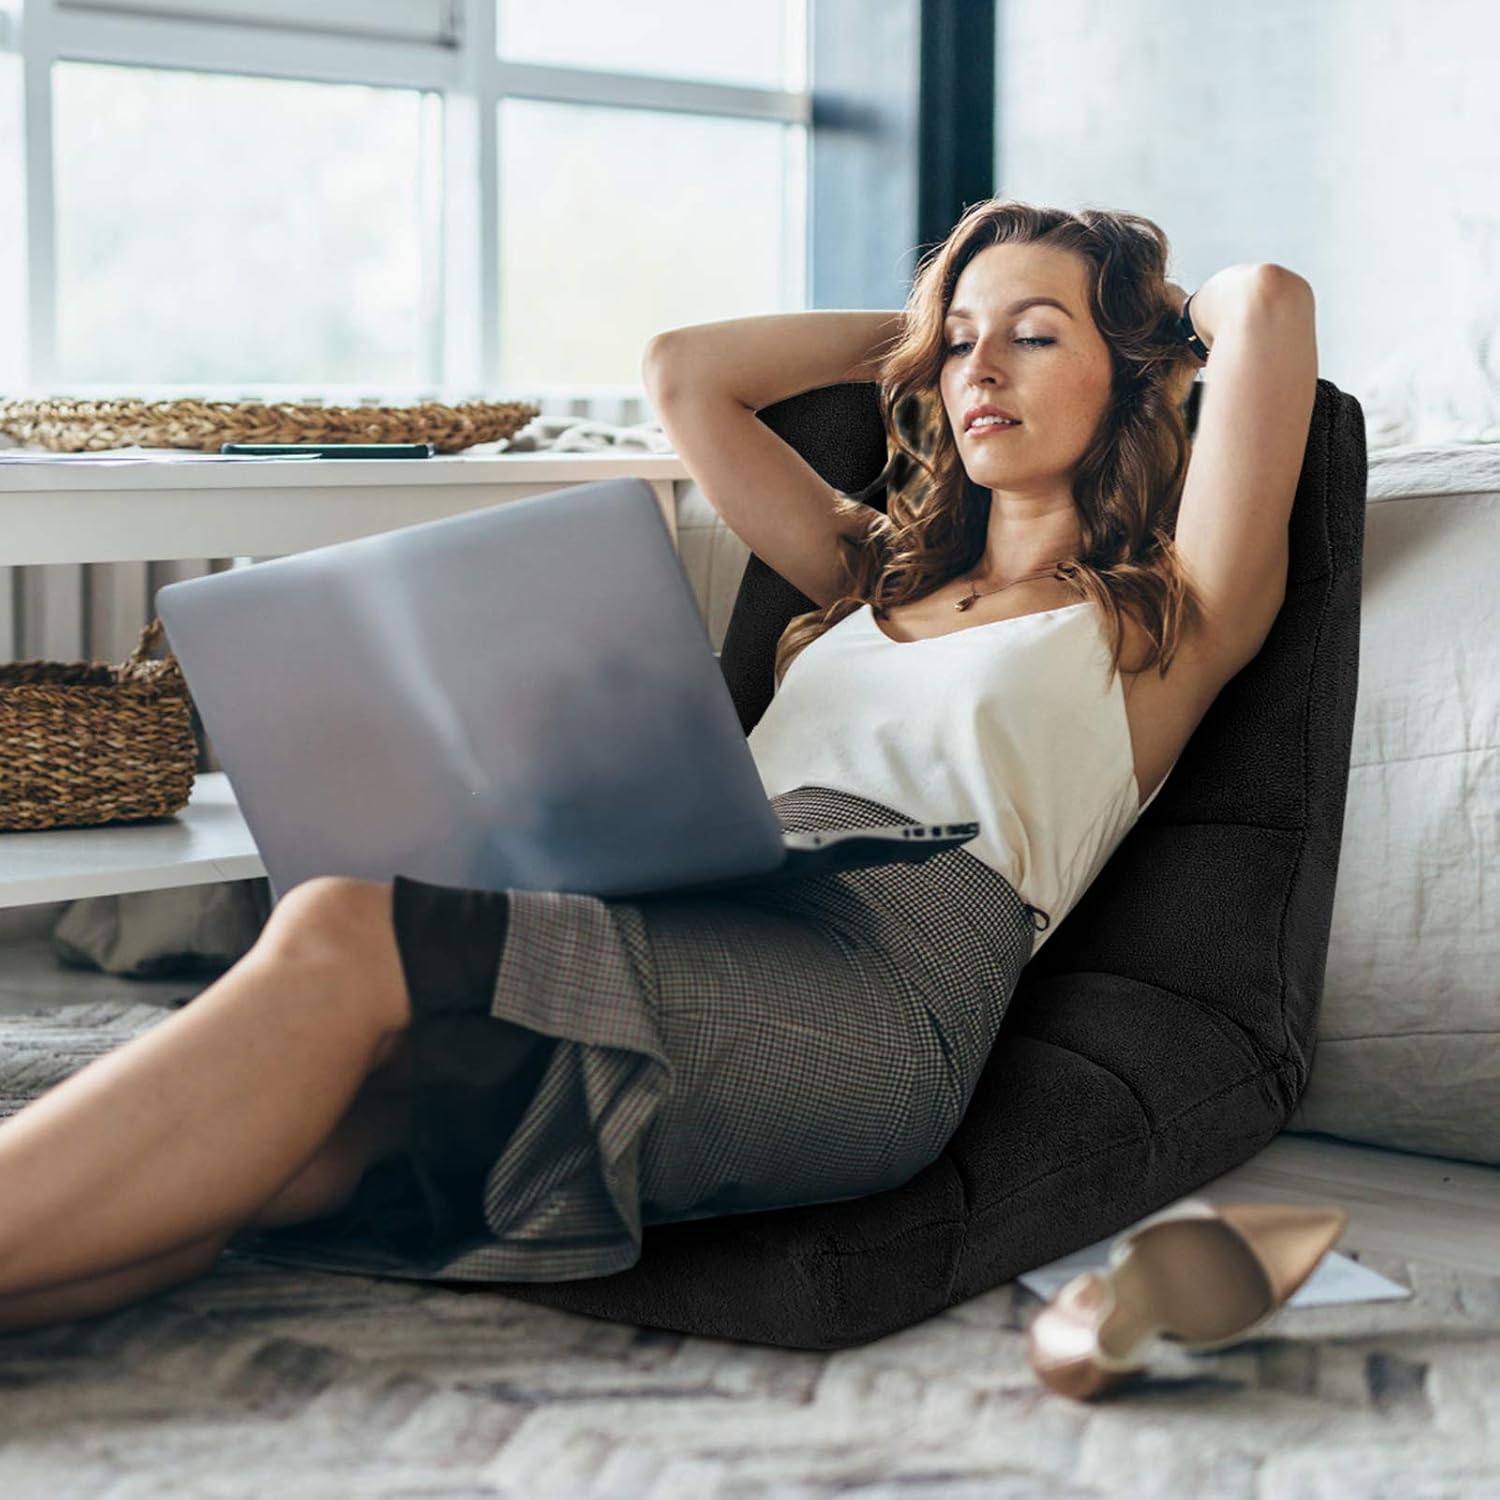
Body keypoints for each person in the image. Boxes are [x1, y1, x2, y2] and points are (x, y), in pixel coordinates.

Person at [0, 199, 1317, 1333]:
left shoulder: (1161, 624)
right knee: (304, 1140)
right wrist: (934, 327)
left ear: (1133, 373)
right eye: (961, 344)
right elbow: (685, 371)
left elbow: (1268, 299)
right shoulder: (875, 577)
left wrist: (1145, 313)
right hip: (703, 906)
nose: (982, 372)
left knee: (339, 925)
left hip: (880, 990)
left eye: (1037, 336)